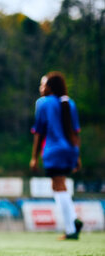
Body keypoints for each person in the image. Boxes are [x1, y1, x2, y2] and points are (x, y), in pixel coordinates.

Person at [30, 72, 83, 240]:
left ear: (50, 88)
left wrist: (34, 157)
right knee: (61, 184)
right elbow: (75, 133)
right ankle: (73, 220)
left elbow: (39, 133)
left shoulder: (43, 103)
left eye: (42, 84)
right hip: (71, 150)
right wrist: (78, 157)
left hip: (54, 150)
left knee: (57, 185)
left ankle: (71, 228)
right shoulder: (70, 103)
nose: (40, 88)